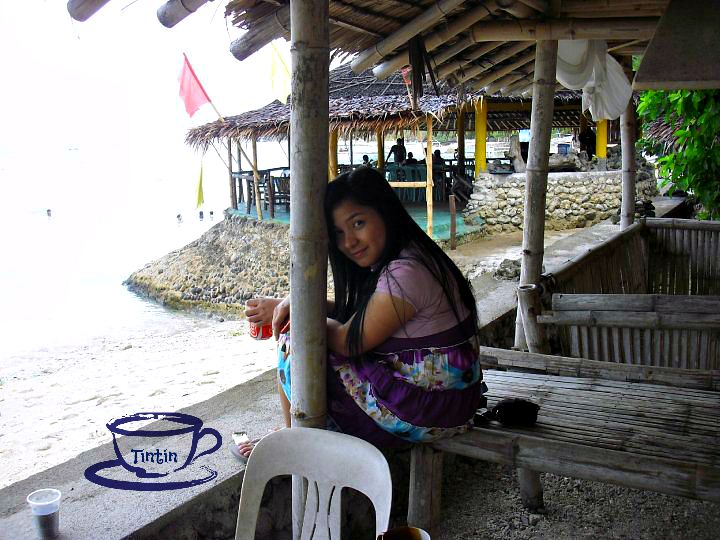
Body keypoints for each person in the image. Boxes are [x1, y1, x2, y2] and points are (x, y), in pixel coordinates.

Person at [238, 167, 485, 458]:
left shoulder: (405, 274)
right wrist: (294, 302)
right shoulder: (414, 256)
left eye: (358, 223)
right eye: (339, 233)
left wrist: (298, 310)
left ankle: (294, 441)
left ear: (385, 212)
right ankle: (295, 429)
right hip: (451, 402)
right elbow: (359, 315)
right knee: (303, 329)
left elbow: (347, 341)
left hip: (429, 414)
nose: (349, 242)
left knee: (295, 339)